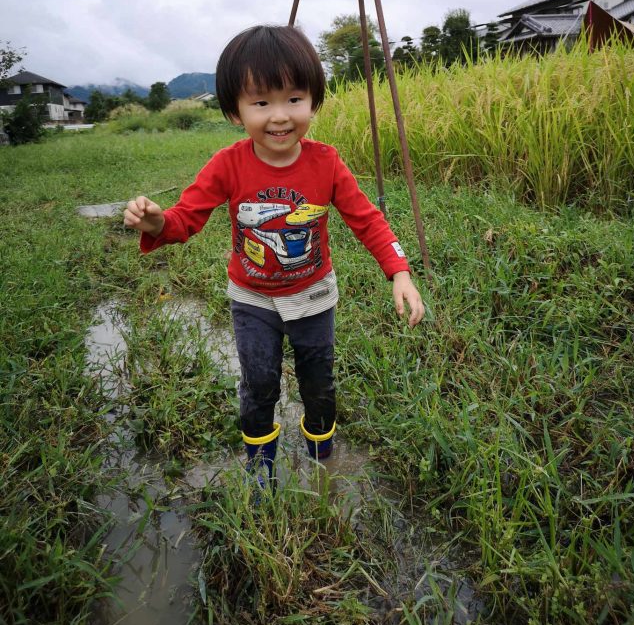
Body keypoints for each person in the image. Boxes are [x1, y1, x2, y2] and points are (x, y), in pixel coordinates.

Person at [124, 25, 424, 488]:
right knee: (259, 382)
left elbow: (367, 219)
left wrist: (399, 272)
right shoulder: (228, 164)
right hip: (252, 298)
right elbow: (185, 218)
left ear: (313, 100)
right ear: (234, 110)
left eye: (294, 99)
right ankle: (260, 466)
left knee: (318, 382)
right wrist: (157, 223)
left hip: (313, 296)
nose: (280, 116)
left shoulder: (327, 163)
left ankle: (322, 455)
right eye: (261, 102)